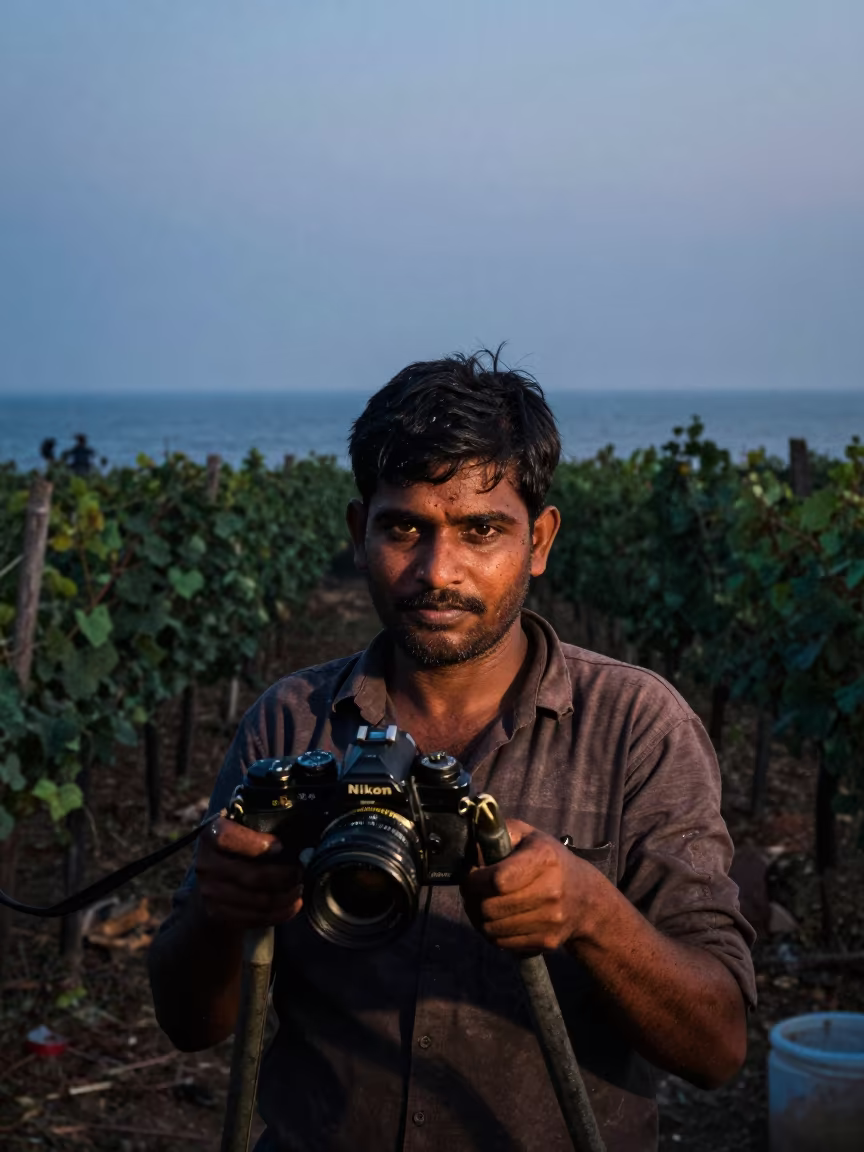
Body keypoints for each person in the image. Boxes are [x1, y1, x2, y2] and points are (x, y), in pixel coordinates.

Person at [149, 352, 755, 1152]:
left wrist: (592, 914)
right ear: (357, 531)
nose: (440, 571)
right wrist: (218, 916)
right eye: (405, 528)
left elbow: (717, 1049)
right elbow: (192, 1026)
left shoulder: (639, 727)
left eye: (481, 530)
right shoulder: (287, 726)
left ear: (539, 540)